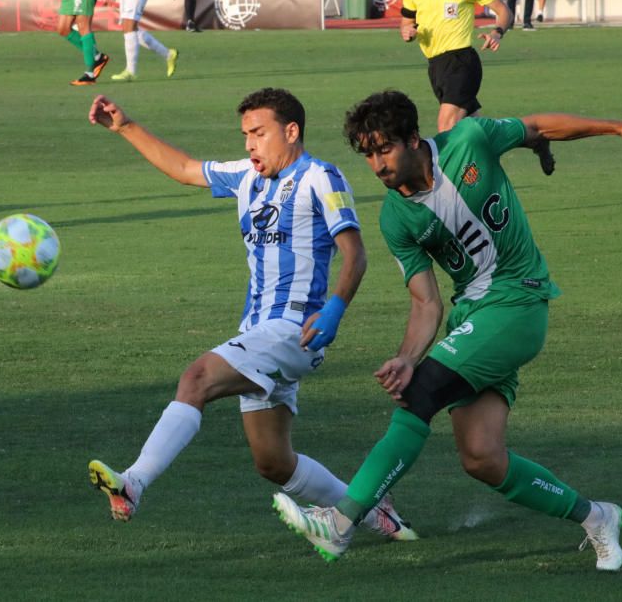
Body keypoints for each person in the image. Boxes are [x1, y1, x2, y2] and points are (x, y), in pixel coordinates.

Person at [274, 89, 622, 570]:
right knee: (481, 457)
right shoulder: (395, 216)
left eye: (384, 149)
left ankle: (341, 522)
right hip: (473, 320)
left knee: (423, 395)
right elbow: (425, 301)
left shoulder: (470, 141)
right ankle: (597, 517)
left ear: (414, 140)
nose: (376, 164)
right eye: (368, 154)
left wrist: (618, 126)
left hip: (519, 302)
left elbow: (537, 127)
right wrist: (406, 358)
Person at [85, 88, 419, 545]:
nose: (249, 145)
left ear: (291, 131)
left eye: (259, 134)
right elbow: (185, 170)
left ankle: (134, 483)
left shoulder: (321, 177)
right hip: (259, 333)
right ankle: (370, 509)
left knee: (197, 378)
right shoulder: (245, 176)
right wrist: (125, 127)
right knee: (273, 462)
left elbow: (355, 255)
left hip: (296, 329)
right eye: (245, 135)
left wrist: (334, 310)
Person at [400, 0, 512, 135]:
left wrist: (497, 33)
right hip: (435, 66)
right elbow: (407, 23)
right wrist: (407, 32)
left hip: (461, 62)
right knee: (477, 130)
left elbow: (504, 12)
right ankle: (524, 134)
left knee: (447, 127)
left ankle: (445, 168)